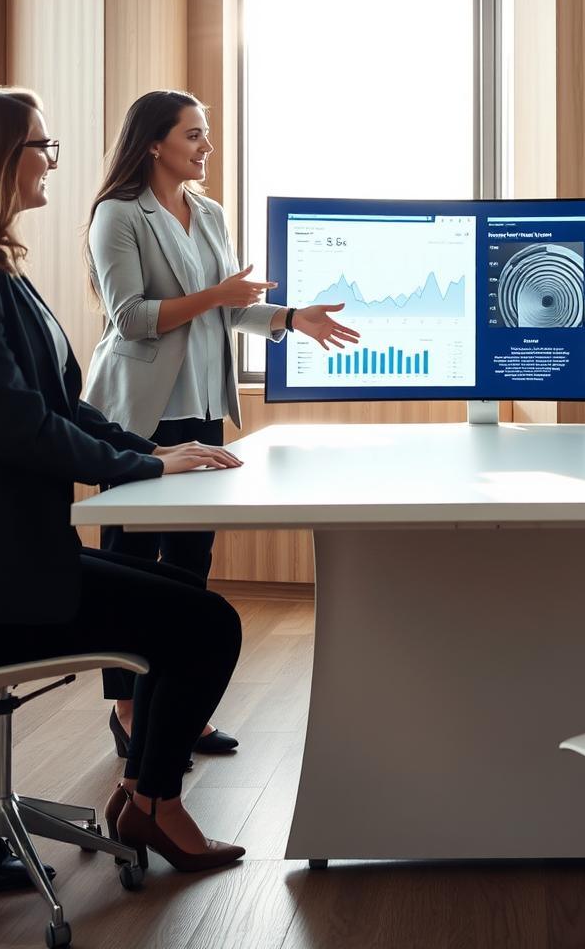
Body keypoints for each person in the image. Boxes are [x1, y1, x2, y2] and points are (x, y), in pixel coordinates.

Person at [0, 86, 249, 887]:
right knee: (206, 626)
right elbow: (18, 427)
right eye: (40, 145)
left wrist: (143, 448)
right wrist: (143, 461)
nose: (49, 160)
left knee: (184, 610)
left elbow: (58, 405)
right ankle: (150, 801)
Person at [83, 90, 359, 761]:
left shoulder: (208, 213)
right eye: (193, 135)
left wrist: (292, 319)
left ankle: (180, 710)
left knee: (190, 563)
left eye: (205, 135)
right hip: (138, 415)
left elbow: (227, 314)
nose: (206, 146)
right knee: (129, 561)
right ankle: (126, 707)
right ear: (154, 143)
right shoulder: (118, 216)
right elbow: (133, 318)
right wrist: (218, 295)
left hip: (203, 409)